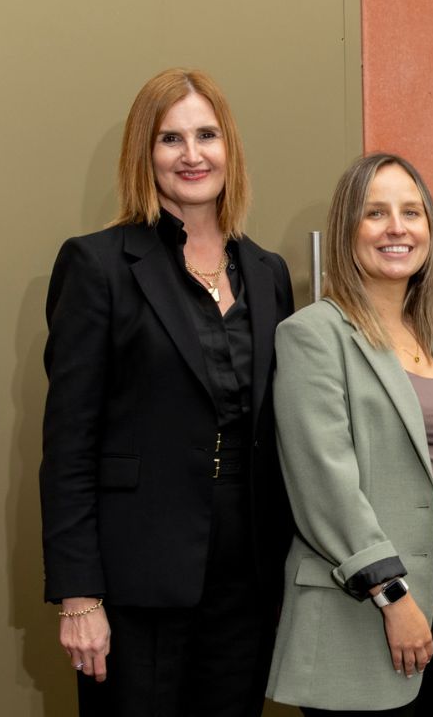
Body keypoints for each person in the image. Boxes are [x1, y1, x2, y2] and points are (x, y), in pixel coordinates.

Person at [40, 67, 295, 716]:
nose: (191, 154)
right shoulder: (98, 265)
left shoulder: (266, 272)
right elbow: (69, 445)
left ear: (229, 148)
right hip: (135, 583)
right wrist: (79, 596)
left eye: (206, 135)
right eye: (170, 138)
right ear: (143, 153)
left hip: (247, 582)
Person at [266, 153, 433, 715]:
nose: (396, 228)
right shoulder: (313, 335)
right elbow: (324, 484)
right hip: (359, 604)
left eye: (411, 212)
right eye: (375, 213)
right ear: (347, 229)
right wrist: (392, 595)